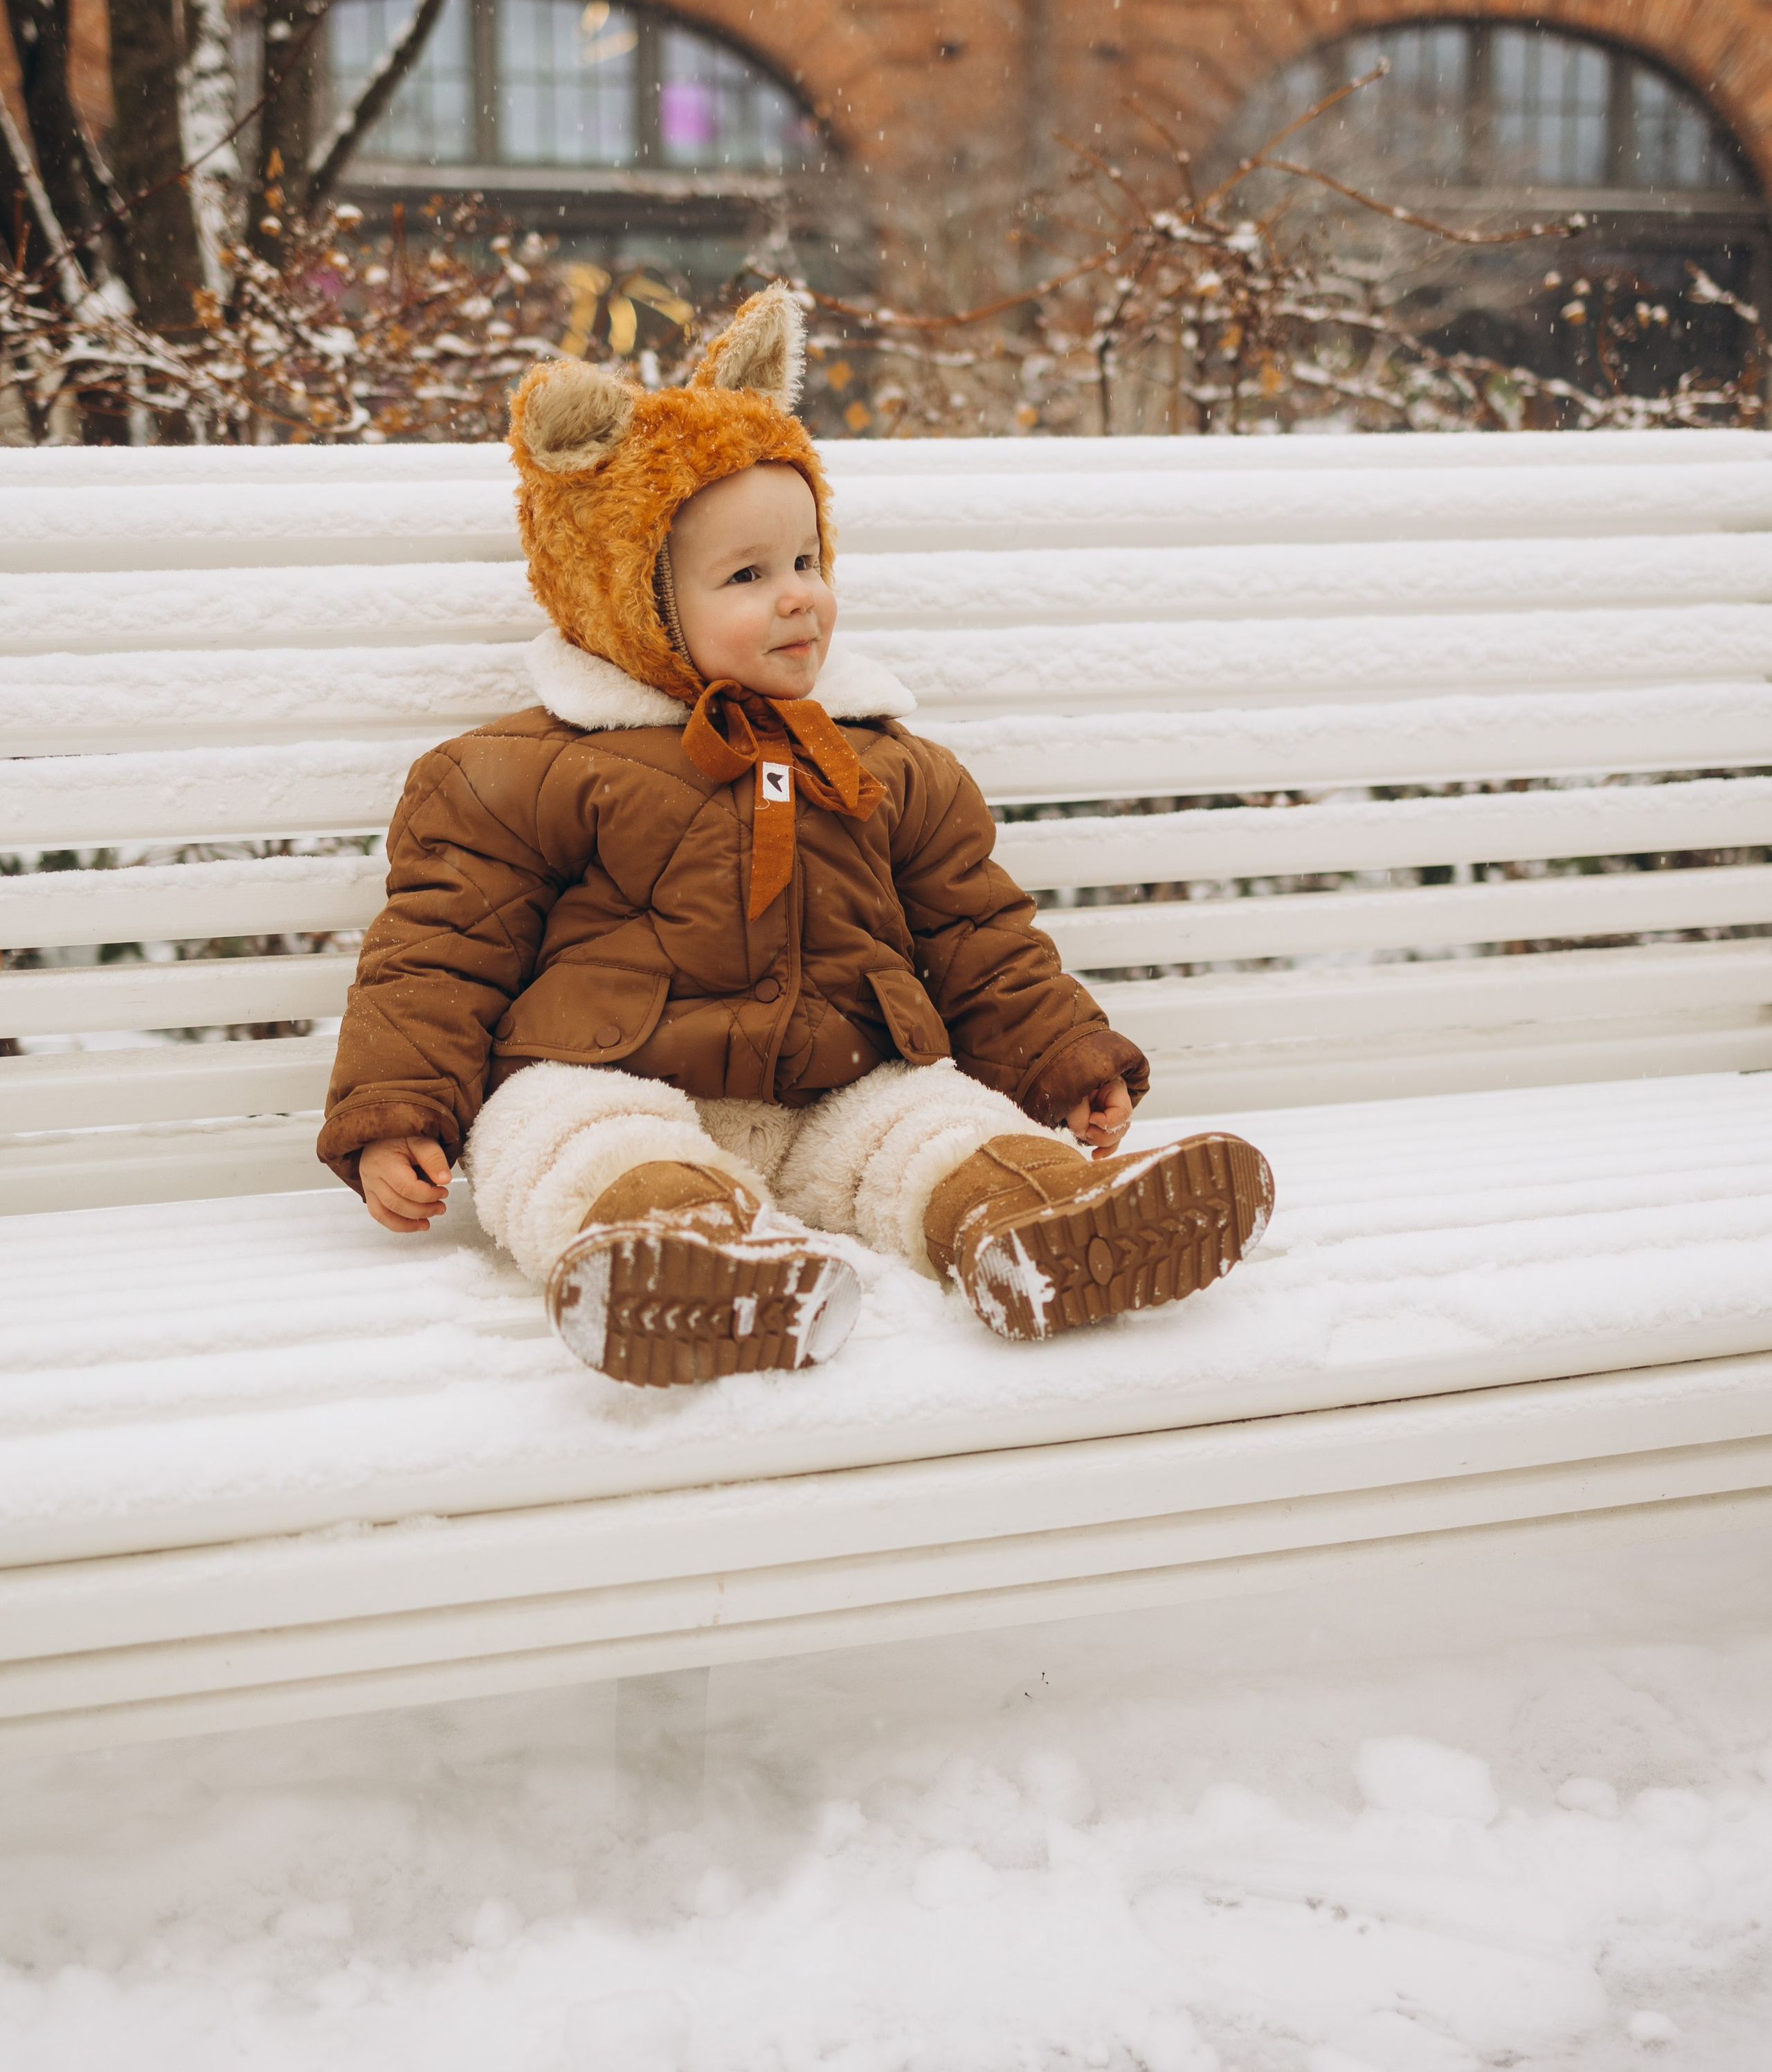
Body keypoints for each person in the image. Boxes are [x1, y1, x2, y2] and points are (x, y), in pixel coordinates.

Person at [318, 282, 1272, 1385]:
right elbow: (436, 956)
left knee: (927, 1121)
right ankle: (685, 1250)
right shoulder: (525, 770)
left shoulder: (882, 761)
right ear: (633, 593)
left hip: (835, 1088)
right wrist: (397, 1114)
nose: (799, 599)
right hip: (617, 1072)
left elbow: (980, 931)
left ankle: (1035, 1221)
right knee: (551, 1127)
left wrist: (1060, 1059)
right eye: (747, 576)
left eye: (809, 562)